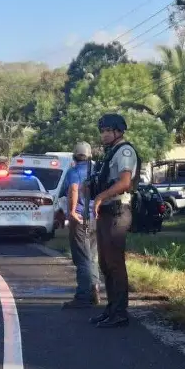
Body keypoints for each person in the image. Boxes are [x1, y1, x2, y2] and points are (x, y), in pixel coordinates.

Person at [89, 113, 140, 328]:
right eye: (102, 131)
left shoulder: (125, 151)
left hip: (118, 210)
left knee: (115, 263)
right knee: (104, 263)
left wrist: (101, 196)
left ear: (118, 131)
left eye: (107, 131)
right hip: (107, 211)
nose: (104, 135)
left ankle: (120, 312)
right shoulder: (111, 153)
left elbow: (125, 182)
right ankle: (111, 308)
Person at [61, 141, 101, 309]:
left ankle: (83, 296)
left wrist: (71, 211)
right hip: (96, 219)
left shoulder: (75, 171)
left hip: (80, 219)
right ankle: (94, 290)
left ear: (74, 156)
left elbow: (73, 189)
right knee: (92, 257)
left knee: (82, 258)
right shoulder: (97, 171)